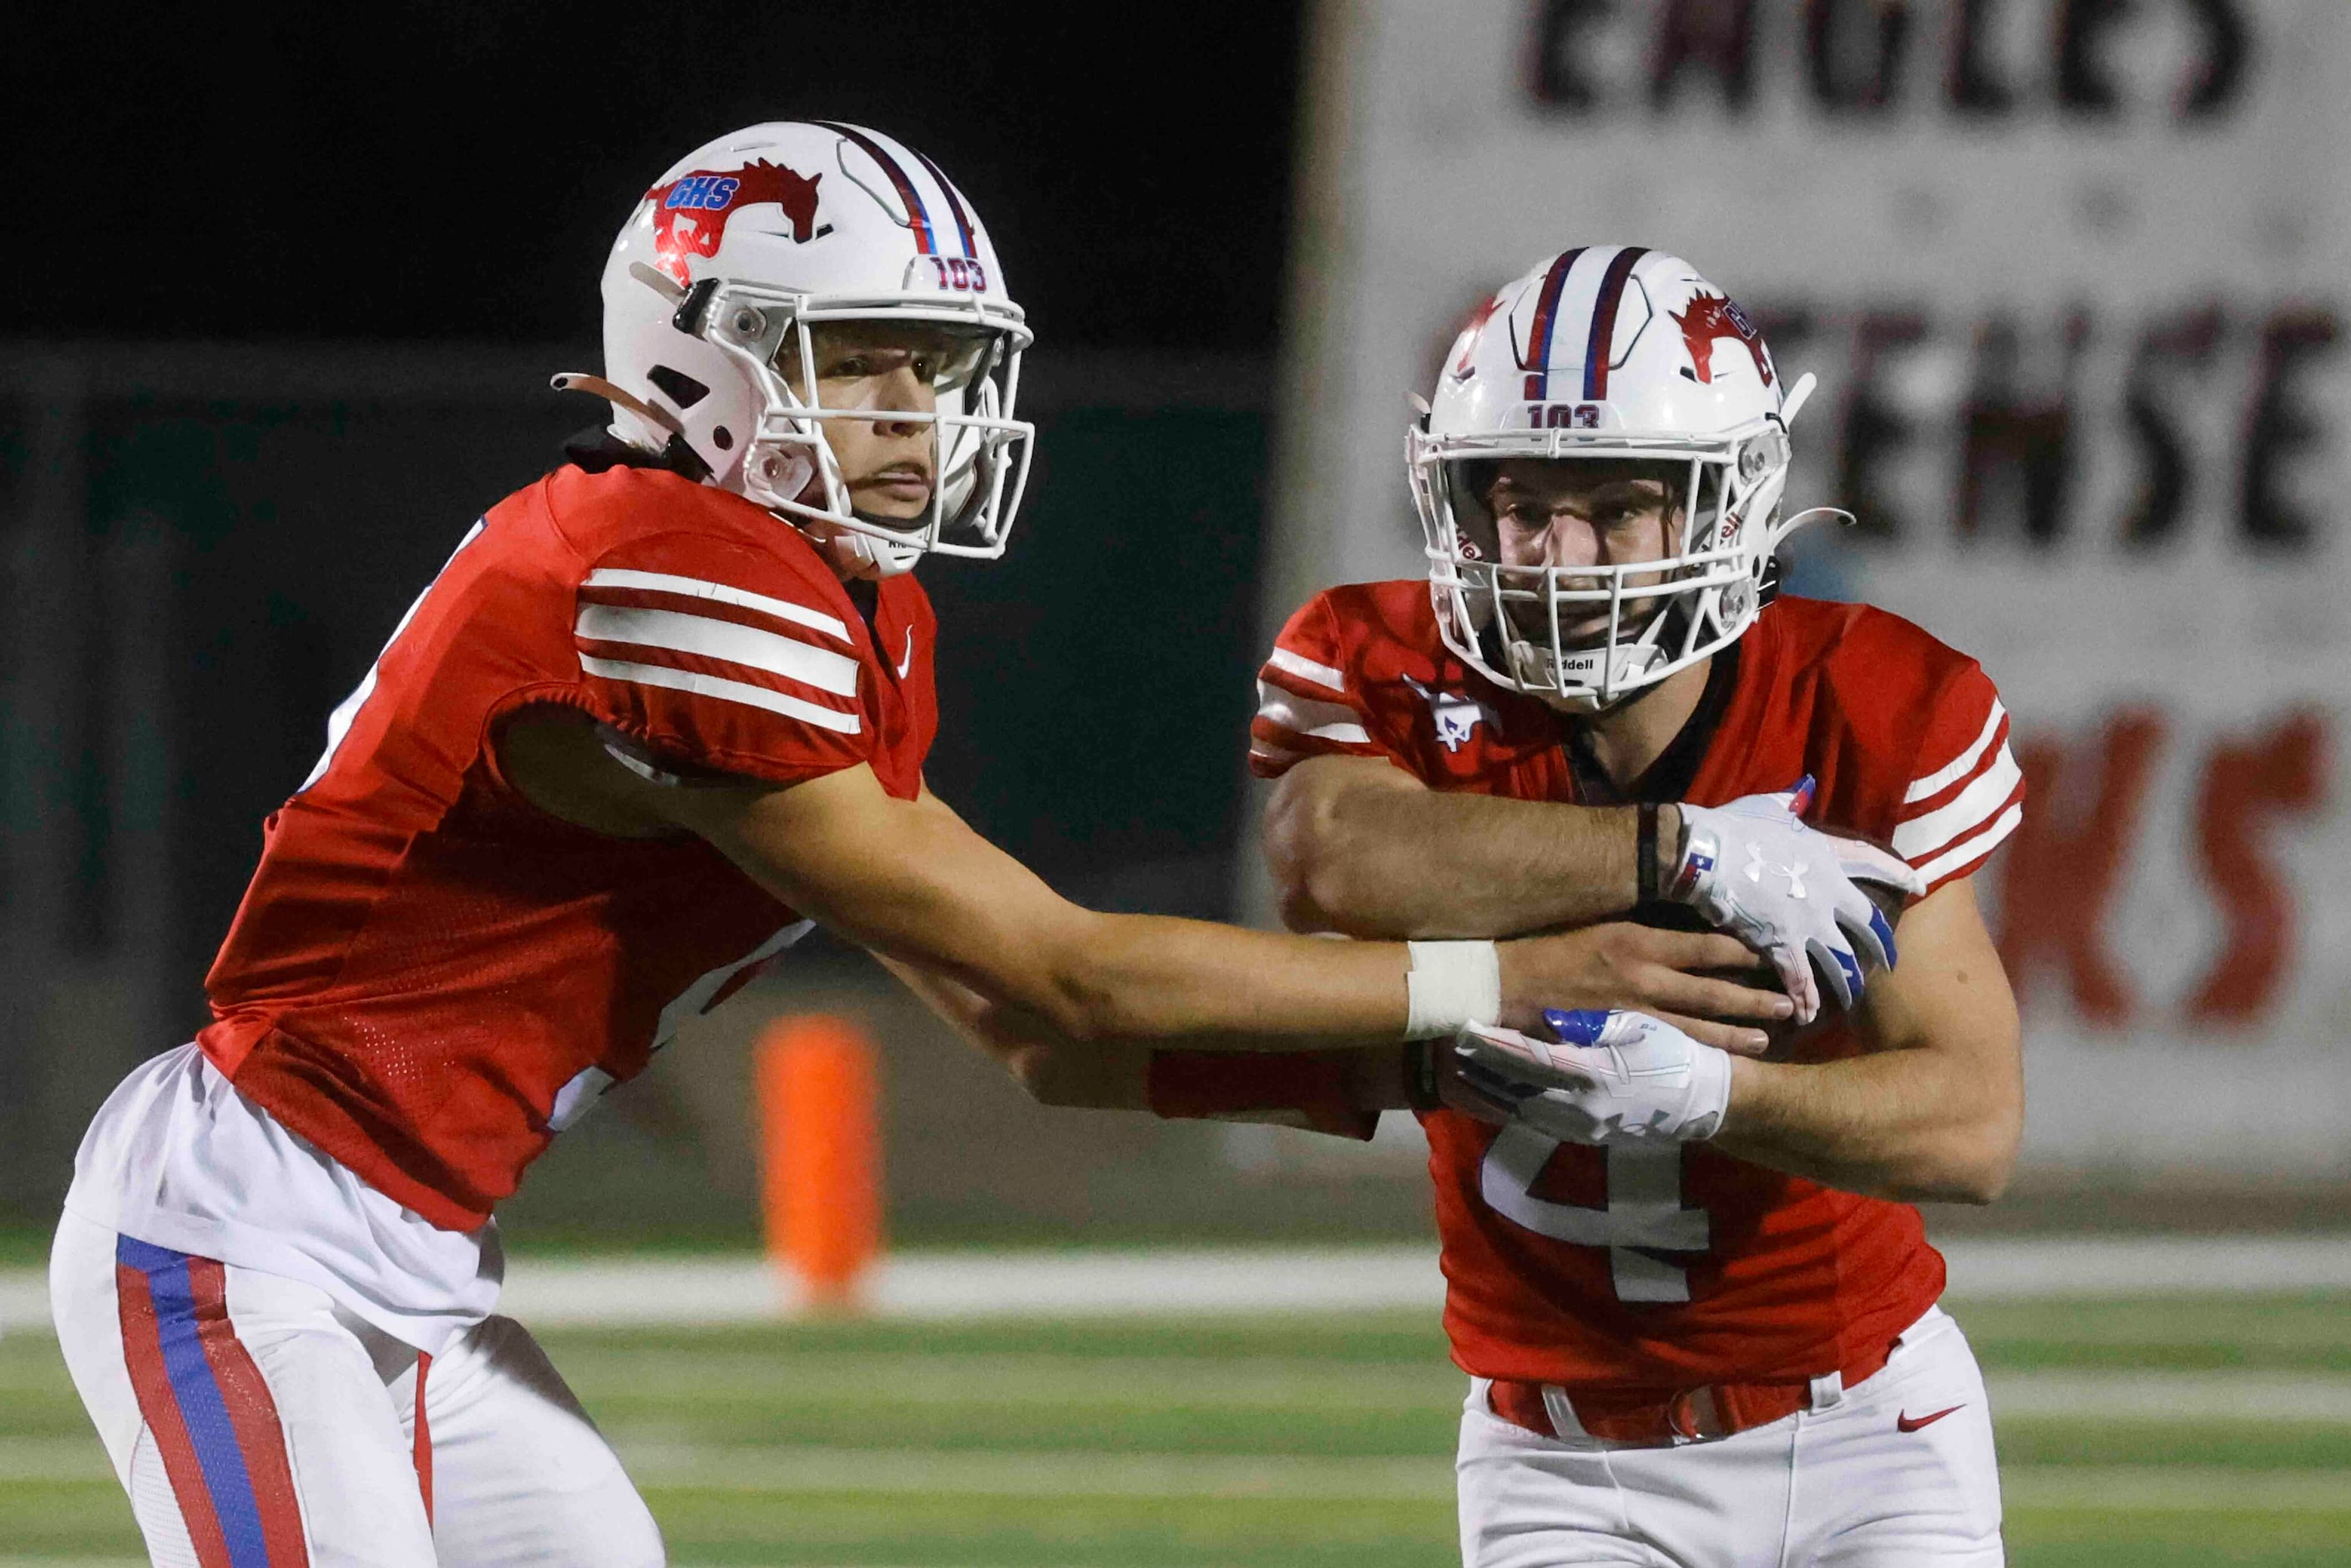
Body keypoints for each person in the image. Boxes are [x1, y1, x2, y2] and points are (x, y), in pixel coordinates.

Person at [45, 129, 1792, 1567]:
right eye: (862, 361)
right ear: (697, 350)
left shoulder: (845, 611)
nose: (913, 414)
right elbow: (1063, 966)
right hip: (236, 1238)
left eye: (938, 368)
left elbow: (1027, 1039)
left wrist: (1434, 1063)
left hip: (416, 1261)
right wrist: (1522, 973)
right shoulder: (655, 565)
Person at [1029, 247, 2025, 1565]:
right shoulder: (1385, 668)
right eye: (1519, 505)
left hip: (1865, 1431)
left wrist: (1719, 1097)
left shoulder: (1863, 701)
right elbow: (1329, 849)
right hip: (1562, 1467)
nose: (1557, 556)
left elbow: (1973, 1126)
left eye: (1616, 506)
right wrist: (1679, 852)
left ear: (1725, 505)